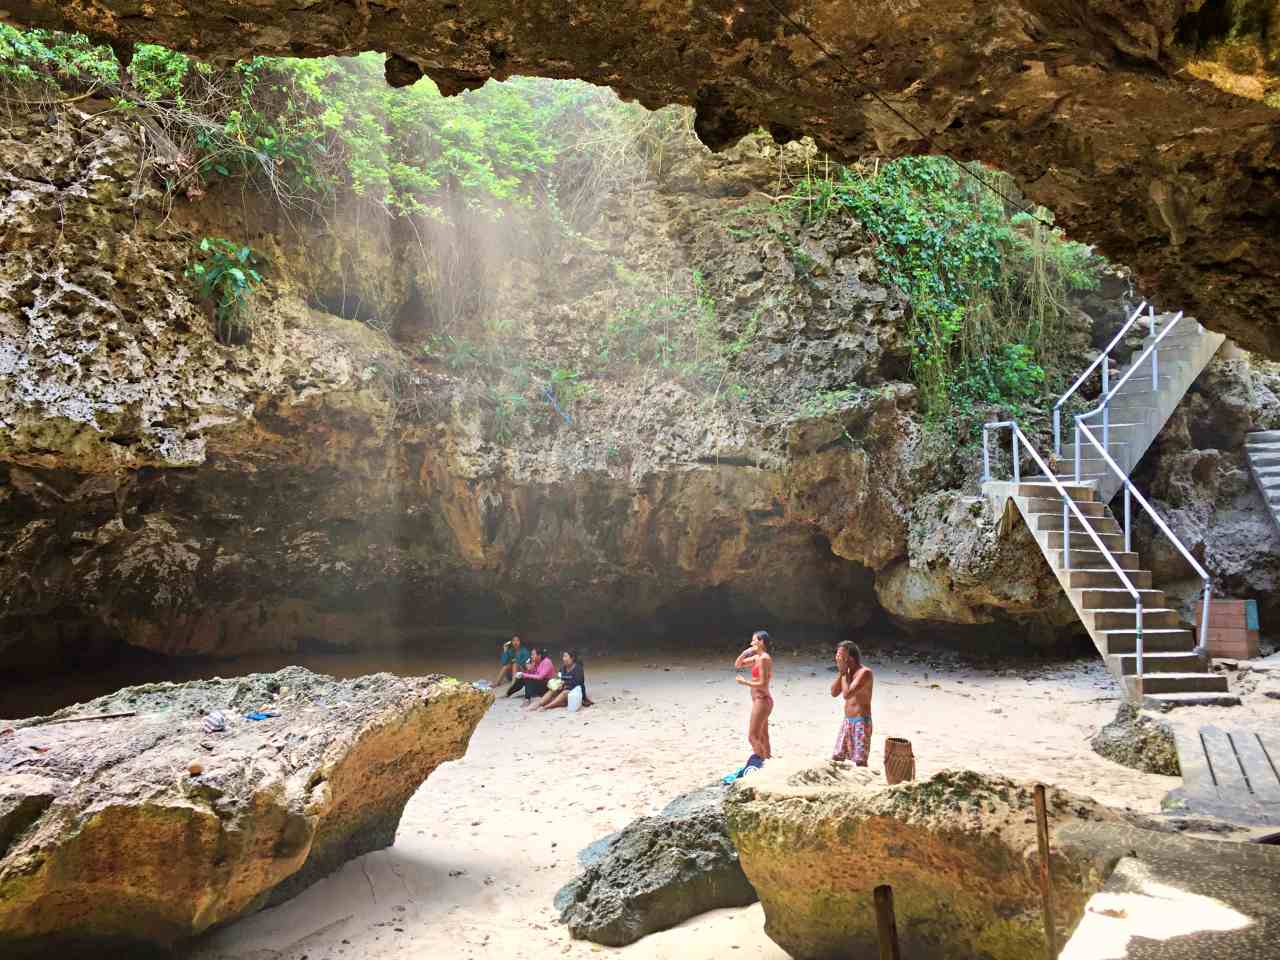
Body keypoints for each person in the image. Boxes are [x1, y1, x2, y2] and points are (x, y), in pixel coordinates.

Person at [734, 630, 774, 764]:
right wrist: (746, 652)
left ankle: (760, 763)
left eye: (754, 640)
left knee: (752, 736)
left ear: (761, 642)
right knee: (763, 736)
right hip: (759, 700)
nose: (751, 643)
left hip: (762, 700)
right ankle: (768, 761)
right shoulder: (757, 658)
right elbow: (738, 665)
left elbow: (763, 683)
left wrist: (744, 682)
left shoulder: (764, 659)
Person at [831, 640, 874, 766]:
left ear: (851, 658)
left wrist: (844, 673)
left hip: (861, 722)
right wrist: (842, 673)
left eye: (841, 656)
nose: (838, 659)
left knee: (860, 761)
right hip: (847, 721)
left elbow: (847, 694)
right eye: (837, 656)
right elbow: (834, 692)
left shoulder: (865, 673)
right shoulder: (847, 674)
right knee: (837, 757)